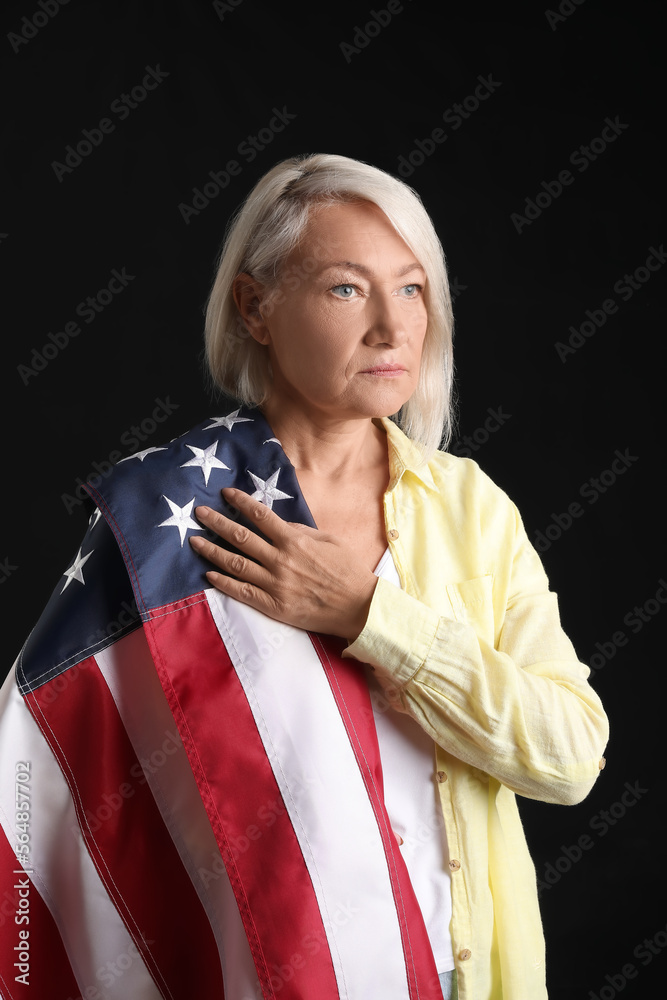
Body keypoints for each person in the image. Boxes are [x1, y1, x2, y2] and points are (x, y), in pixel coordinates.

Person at [0, 153, 608, 1000]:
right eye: (346, 289)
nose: (392, 330)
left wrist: (370, 617)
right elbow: (50, 779)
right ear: (255, 306)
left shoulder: (469, 508)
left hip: (463, 975)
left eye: (411, 288)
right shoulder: (170, 516)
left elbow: (570, 758)